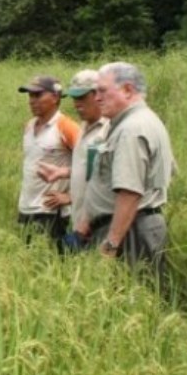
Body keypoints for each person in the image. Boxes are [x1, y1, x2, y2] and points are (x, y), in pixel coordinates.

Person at [75, 61, 175, 277]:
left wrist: (111, 245)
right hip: (131, 228)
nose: (97, 98)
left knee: (126, 301)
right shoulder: (137, 122)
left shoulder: (131, 129)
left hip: (130, 233)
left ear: (128, 90)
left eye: (102, 91)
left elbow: (130, 191)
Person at [36, 69, 109, 250]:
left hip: (100, 224)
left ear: (99, 95)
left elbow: (107, 178)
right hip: (79, 222)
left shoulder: (109, 130)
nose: (77, 104)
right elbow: (90, 168)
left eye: (82, 98)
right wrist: (63, 172)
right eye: (75, 98)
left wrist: (68, 197)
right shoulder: (84, 128)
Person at [17, 75, 80, 248]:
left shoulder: (66, 127)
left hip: (51, 212)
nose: (32, 101)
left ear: (55, 97)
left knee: (52, 264)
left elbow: (91, 165)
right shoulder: (29, 125)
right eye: (30, 96)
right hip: (26, 207)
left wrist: (71, 197)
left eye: (38, 95)